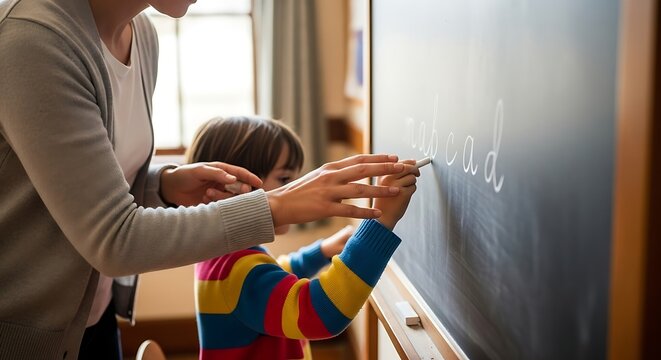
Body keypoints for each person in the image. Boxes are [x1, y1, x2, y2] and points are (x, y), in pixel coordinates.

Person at [0, 1, 408, 358]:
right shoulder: (32, 43)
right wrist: (373, 227)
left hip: (94, 317)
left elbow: (93, 180)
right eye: (283, 177)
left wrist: (162, 185)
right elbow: (114, 237)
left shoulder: (142, 35)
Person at [189, 116, 419, 359]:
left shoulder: (221, 253)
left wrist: (321, 251)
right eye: (285, 179)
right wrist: (380, 225)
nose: (298, 189)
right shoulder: (236, 270)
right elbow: (321, 314)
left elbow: (277, 276)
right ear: (232, 188)